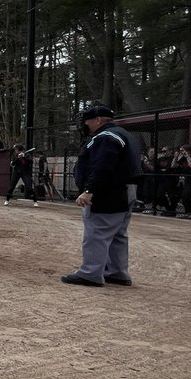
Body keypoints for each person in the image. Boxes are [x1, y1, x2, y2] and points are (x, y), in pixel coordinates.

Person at [61, 105, 142, 287]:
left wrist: (89, 191)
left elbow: (103, 166)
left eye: (87, 121)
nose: (85, 124)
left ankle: (90, 273)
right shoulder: (122, 133)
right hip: (125, 189)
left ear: (98, 120)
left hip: (108, 191)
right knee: (118, 233)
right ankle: (117, 272)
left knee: (97, 232)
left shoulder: (105, 137)